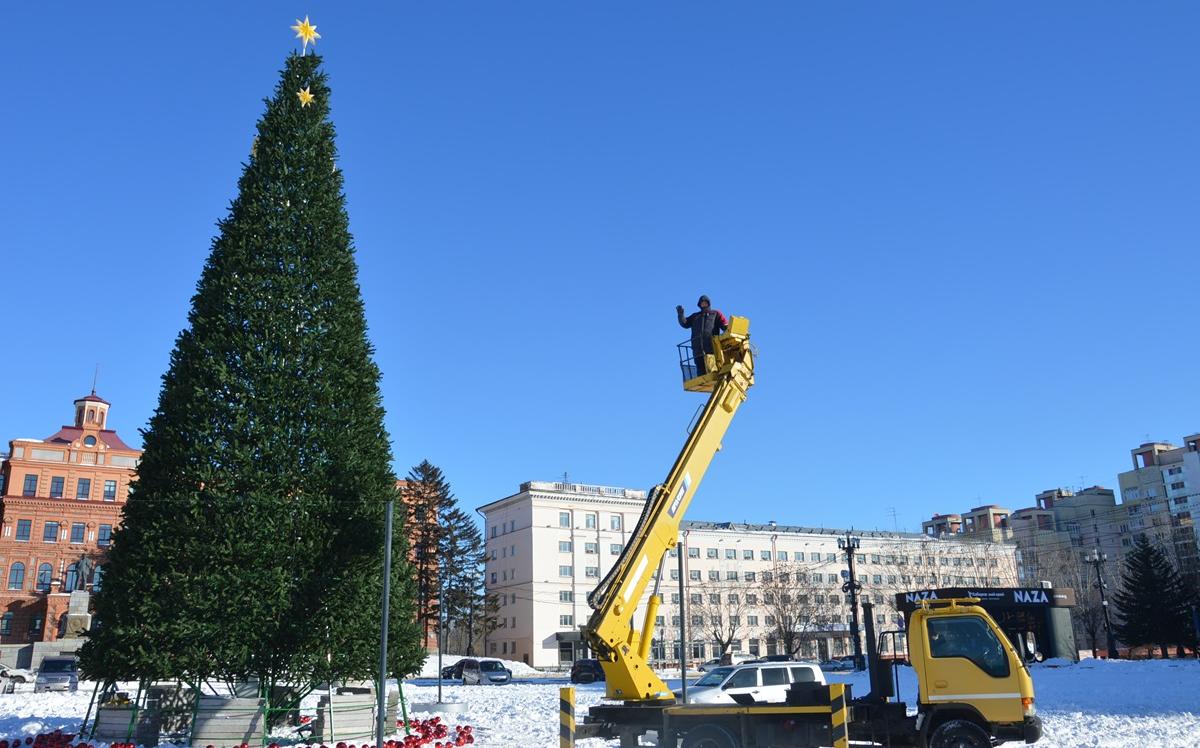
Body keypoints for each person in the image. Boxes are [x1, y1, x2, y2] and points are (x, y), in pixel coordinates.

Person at [676, 295, 728, 376]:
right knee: (701, 374)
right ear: (699, 305)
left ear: (708, 303)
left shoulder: (715, 314)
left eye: (705, 303)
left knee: (713, 373)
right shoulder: (695, 316)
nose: (703, 305)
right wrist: (680, 314)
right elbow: (685, 323)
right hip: (697, 351)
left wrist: (729, 329)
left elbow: (724, 325)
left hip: (711, 349)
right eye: (702, 303)